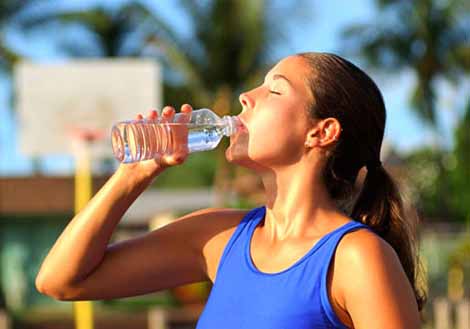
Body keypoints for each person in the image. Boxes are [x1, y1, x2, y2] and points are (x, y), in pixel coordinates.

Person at [36, 52, 427, 328]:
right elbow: (61, 281)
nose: (246, 97)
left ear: (321, 132)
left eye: (274, 90)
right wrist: (133, 176)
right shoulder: (219, 238)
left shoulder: (356, 258)